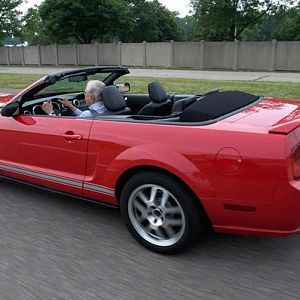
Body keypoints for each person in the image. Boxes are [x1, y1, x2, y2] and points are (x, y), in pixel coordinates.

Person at [42, 80, 107, 118]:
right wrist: (71, 106)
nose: (84, 95)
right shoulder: (106, 108)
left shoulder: (88, 114)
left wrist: (50, 112)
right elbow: (84, 115)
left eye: (85, 93)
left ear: (90, 97)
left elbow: (70, 126)